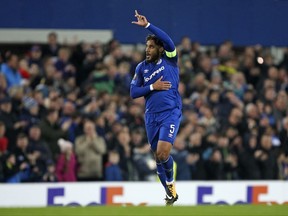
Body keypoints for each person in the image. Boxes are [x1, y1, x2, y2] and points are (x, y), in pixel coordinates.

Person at [130, 10, 182, 205]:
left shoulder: (169, 59)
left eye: (151, 46)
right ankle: (170, 191)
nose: (148, 49)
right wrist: (153, 86)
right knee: (159, 158)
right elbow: (133, 92)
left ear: (160, 49)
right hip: (151, 116)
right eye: (146, 46)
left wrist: (148, 26)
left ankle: (170, 183)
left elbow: (167, 39)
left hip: (170, 112)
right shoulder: (141, 68)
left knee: (162, 153)